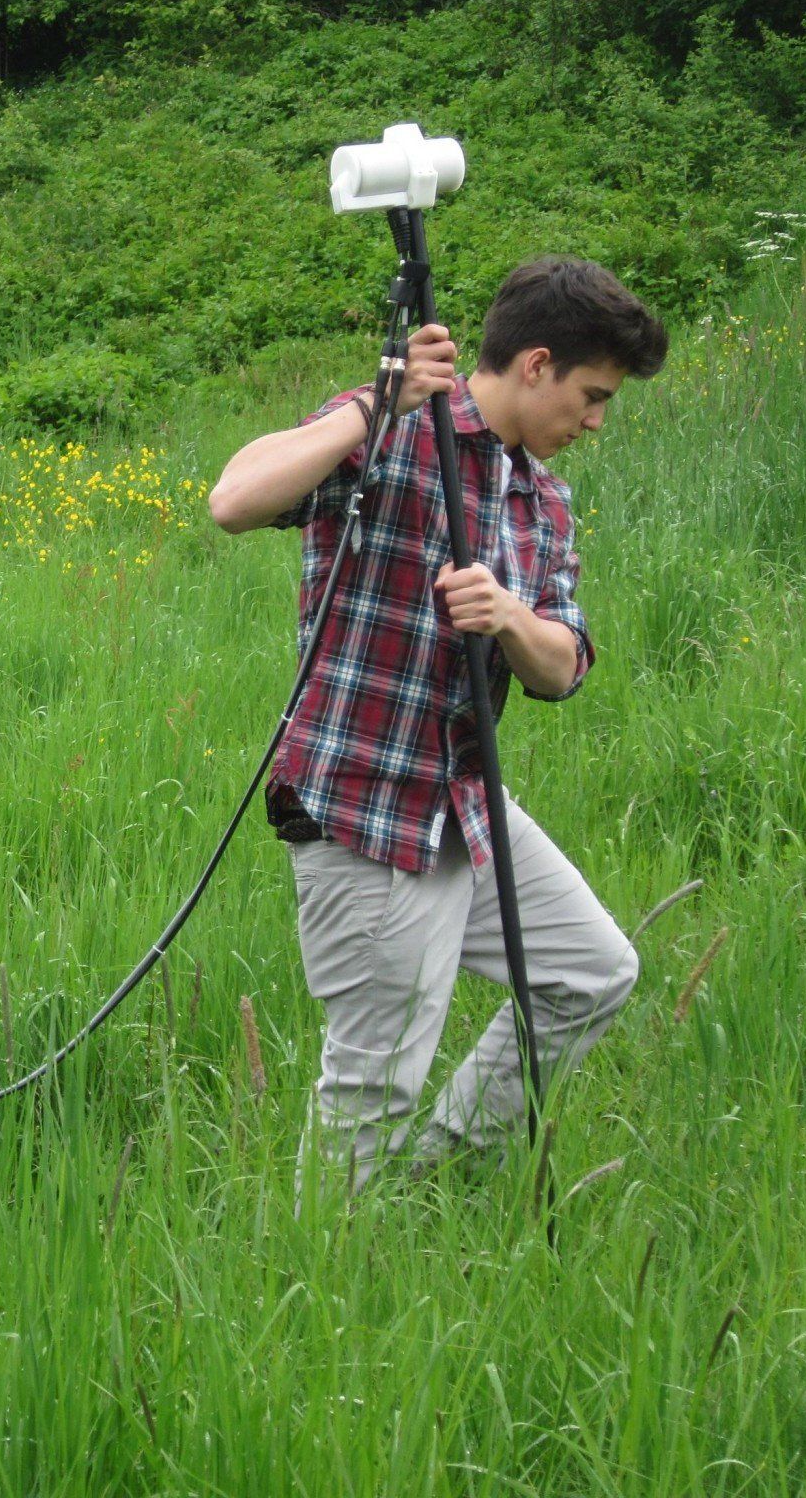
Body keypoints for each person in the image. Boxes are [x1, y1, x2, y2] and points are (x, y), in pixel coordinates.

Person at [208, 257, 667, 1187]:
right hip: (369, 810)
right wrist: (375, 404)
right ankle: (329, 1273)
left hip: (465, 802)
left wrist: (508, 616)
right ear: (535, 363)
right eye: (590, 395)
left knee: (590, 973)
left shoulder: (539, 498)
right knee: (372, 1090)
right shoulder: (396, 432)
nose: (596, 421)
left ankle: (433, 1178)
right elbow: (234, 500)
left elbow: (564, 665)